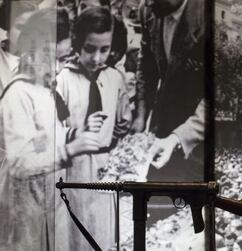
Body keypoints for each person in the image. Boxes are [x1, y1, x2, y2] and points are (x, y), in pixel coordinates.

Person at [0, 8, 101, 250]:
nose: (58, 67)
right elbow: (20, 163)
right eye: (52, 57)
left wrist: (73, 134)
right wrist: (68, 151)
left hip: (48, 202)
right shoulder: (18, 93)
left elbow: (43, 138)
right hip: (23, 209)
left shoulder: (43, 88)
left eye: (64, 59)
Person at [56, 7, 131, 250]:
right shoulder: (64, 79)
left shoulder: (114, 79)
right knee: (75, 231)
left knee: (104, 231)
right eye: (89, 48)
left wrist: (111, 146)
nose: (97, 58)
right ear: (77, 44)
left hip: (105, 169)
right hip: (73, 170)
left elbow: (123, 121)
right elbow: (55, 128)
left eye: (104, 50)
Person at [133, 0, 207, 181]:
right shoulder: (148, 8)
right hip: (164, 120)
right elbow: (147, 66)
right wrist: (141, 115)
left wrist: (178, 138)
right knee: (157, 203)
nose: (148, 2)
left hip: (202, 136)